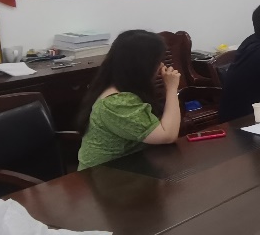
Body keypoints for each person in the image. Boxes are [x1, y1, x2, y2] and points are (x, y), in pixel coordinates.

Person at [76, 30, 181, 170]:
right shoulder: (116, 102)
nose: (161, 66)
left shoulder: (120, 86)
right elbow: (167, 135)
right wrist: (172, 88)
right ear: (142, 66)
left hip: (130, 166)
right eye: (157, 62)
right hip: (103, 175)